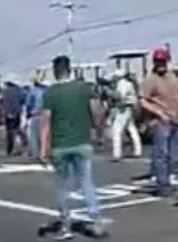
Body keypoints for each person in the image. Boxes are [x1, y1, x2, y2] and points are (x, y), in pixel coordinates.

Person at [38, 55, 106, 239]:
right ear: (70, 69)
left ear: (55, 71)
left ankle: (66, 225)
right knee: (87, 183)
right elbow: (97, 111)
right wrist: (99, 133)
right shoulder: (84, 89)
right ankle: (97, 220)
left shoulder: (50, 93)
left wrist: (43, 148)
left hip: (60, 145)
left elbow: (46, 121)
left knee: (62, 186)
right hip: (82, 142)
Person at [140, 47, 178, 197]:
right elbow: (143, 101)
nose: (161, 64)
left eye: (163, 61)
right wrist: (158, 113)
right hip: (161, 121)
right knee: (161, 154)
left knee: (171, 155)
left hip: (176, 120)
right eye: (158, 61)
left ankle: (167, 181)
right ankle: (163, 184)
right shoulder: (150, 79)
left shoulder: (172, 77)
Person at [108, 69, 142, 162]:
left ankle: (117, 154)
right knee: (132, 129)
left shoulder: (122, 84)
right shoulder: (128, 83)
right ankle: (138, 151)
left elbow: (121, 97)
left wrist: (111, 94)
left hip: (124, 108)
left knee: (116, 130)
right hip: (129, 108)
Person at [1, 75, 29, 156]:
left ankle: (9, 150)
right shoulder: (19, 90)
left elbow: (2, 101)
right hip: (16, 112)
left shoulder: (4, 91)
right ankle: (23, 145)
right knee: (17, 130)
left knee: (9, 132)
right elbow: (23, 100)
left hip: (7, 113)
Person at [25, 73, 48, 159]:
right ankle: (44, 153)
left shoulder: (33, 91)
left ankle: (36, 154)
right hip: (46, 115)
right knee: (45, 135)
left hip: (35, 115)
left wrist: (28, 115)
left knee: (34, 136)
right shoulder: (47, 91)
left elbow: (28, 104)